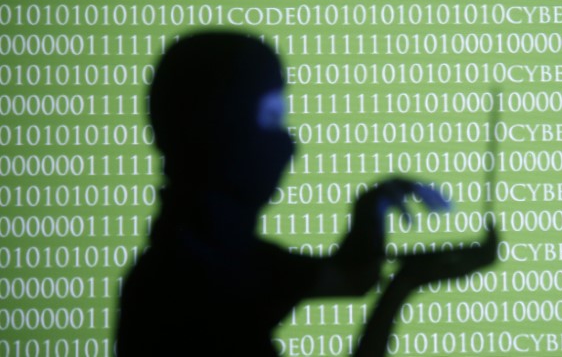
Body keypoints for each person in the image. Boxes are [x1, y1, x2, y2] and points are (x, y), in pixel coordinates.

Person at [116, 31, 495, 356]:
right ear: (218, 131)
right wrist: (403, 285)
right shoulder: (187, 289)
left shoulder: (219, 261)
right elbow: (353, 279)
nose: (287, 144)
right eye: (268, 118)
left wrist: (374, 206)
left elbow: (352, 277)